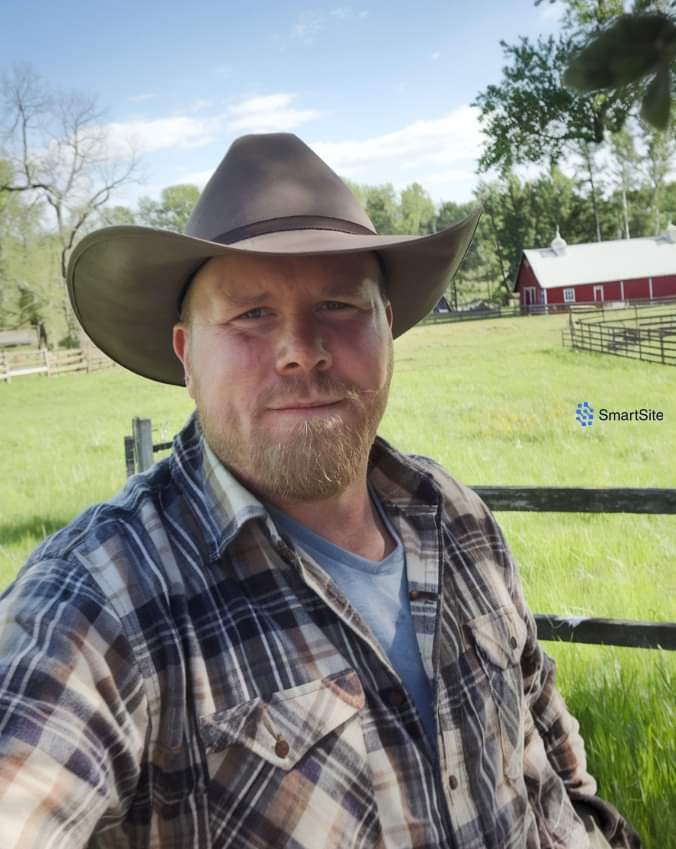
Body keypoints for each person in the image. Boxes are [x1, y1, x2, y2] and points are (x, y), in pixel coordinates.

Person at [0, 133, 640, 849]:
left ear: (386, 327)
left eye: (339, 304)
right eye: (252, 314)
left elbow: (546, 743)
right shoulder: (99, 603)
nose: (302, 346)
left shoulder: (456, 518)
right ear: (188, 355)